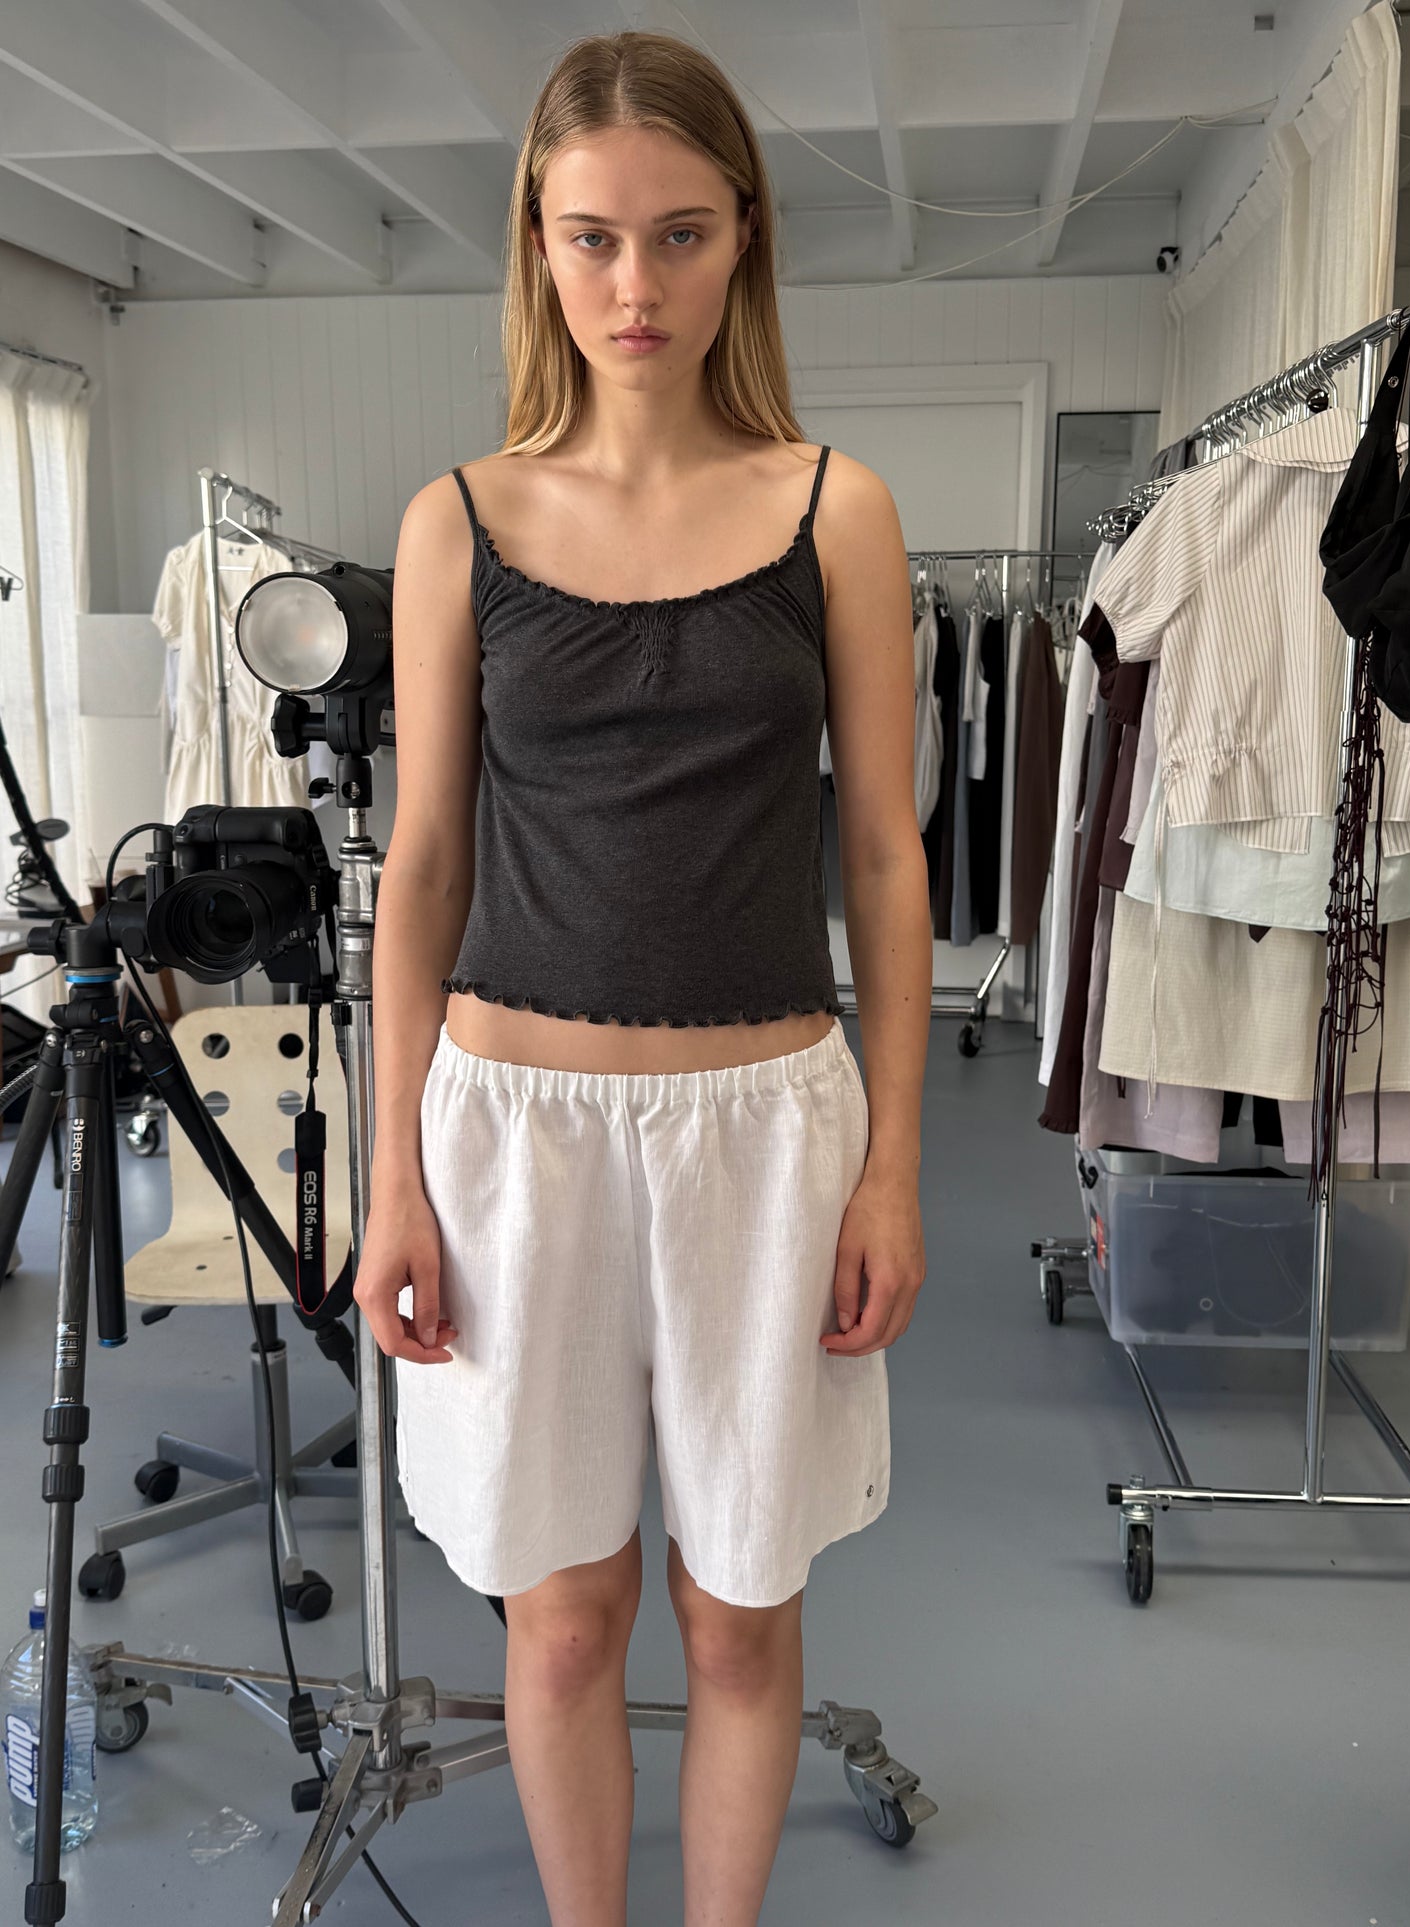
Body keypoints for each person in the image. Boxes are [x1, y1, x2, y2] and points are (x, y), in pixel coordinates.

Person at [355, 28, 929, 1927]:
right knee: (565, 1612)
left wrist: (894, 1163)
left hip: (765, 1128)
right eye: (591, 239)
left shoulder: (831, 508)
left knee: (741, 1608)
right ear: (534, 244)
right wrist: (390, 1178)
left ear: (742, 241)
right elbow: (422, 866)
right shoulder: (460, 523)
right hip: (513, 1131)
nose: (633, 287)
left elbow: (880, 854)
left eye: (679, 237)